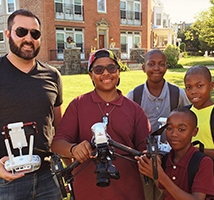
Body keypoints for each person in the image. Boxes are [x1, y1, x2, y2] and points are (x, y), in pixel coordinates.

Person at [0, 9, 63, 199]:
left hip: (48, 177)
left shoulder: (52, 75)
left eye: (35, 33)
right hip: (6, 180)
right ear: (8, 34)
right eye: (21, 32)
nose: (28, 38)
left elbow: (59, 126)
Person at [51, 49, 151, 200]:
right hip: (87, 192)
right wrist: (74, 149)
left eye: (111, 68)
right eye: (98, 69)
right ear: (91, 75)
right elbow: (57, 144)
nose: (106, 73)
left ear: (118, 72)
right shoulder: (78, 105)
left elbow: (147, 152)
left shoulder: (135, 110)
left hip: (128, 192)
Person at [126, 49, 190, 200]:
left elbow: (188, 122)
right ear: (144, 68)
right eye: (151, 64)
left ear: (166, 67)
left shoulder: (177, 94)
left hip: (171, 160)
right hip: (143, 161)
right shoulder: (134, 95)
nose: (156, 68)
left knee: (167, 195)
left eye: (161, 64)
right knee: (145, 195)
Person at [135, 108, 214, 200]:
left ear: (194, 132)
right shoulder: (165, 160)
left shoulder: (203, 162)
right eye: (169, 128)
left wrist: (161, 177)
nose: (174, 134)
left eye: (181, 129)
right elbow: (166, 194)